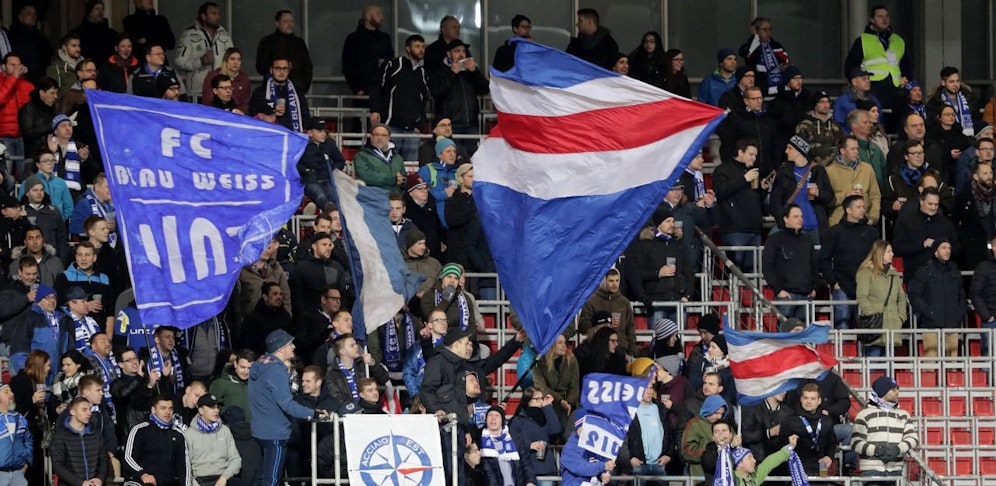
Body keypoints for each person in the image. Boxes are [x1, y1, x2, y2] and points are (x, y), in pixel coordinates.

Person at [249, 330, 324, 486]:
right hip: (275, 433)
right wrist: (312, 413)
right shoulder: (275, 370)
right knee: (272, 479)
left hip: (260, 430)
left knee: (261, 476)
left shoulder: (259, 366)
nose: (294, 346)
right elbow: (287, 404)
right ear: (281, 348)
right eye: (290, 344)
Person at [821, 195, 879, 330]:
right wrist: (833, 282)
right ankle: (842, 352)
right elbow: (824, 259)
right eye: (859, 207)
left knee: (868, 329)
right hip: (842, 285)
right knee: (842, 326)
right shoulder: (835, 232)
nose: (863, 210)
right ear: (848, 210)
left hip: (867, 286)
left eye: (863, 207)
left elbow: (878, 257)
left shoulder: (872, 232)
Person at [369, 34, 427, 162]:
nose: (421, 49)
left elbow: (424, 99)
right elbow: (376, 86)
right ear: (408, 48)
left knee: (410, 168)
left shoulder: (422, 72)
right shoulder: (393, 64)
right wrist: (375, 109)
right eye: (417, 46)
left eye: (423, 46)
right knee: (388, 164)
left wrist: (420, 124)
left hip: (412, 130)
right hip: (392, 126)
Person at [851, 376, 919, 485]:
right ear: (883, 391)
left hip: (895, 470)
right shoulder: (864, 414)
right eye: (893, 389)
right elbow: (856, 442)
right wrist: (876, 450)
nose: (897, 392)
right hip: (871, 471)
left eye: (897, 389)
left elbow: (913, 438)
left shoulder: (903, 415)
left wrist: (897, 449)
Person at [767, 135, 834, 240]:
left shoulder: (818, 170)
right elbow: (775, 200)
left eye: (790, 148)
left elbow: (830, 197)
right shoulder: (784, 171)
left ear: (799, 151)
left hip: (814, 227)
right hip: (791, 228)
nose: (786, 151)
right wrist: (782, 222)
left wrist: (818, 193)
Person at [713, 138, 766, 272]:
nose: (754, 158)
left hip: (754, 229)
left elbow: (756, 199)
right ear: (740, 152)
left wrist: (763, 189)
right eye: (751, 154)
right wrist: (744, 180)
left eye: (755, 155)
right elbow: (720, 192)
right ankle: (734, 294)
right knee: (735, 272)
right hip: (734, 229)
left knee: (753, 272)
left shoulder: (753, 172)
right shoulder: (723, 170)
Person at [429, 39, 489, 155]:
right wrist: (452, 73)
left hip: (471, 124)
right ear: (448, 54)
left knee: (471, 159)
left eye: (463, 51)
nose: (461, 54)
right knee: (452, 156)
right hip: (450, 125)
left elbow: (485, 89)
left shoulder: (470, 72)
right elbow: (437, 92)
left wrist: (475, 72)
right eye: (457, 51)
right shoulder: (440, 70)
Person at [907, 238, 965, 357]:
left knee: (952, 368)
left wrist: (958, 313)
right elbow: (914, 295)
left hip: (952, 325)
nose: (947, 251)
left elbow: (962, 296)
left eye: (949, 248)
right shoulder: (924, 272)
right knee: (930, 365)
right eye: (943, 248)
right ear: (935, 252)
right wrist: (928, 312)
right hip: (930, 326)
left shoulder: (954, 272)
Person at [843, 5, 910, 106]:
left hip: (896, 89)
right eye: (880, 16)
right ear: (872, 20)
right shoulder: (863, 40)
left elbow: (907, 65)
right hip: (872, 88)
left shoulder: (898, 40)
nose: (884, 19)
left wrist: (906, 78)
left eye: (886, 16)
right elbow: (850, 67)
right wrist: (859, 85)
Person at [123, 394, 190, 486]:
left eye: (170, 409)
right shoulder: (139, 430)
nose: (167, 412)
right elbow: (128, 458)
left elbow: (184, 466)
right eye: (163, 408)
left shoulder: (178, 434)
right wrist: (143, 474)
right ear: (153, 410)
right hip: (140, 481)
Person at [892, 187, 959, 279]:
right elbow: (897, 248)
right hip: (914, 276)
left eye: (936, 204)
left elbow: (957, 248)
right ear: (921, 201)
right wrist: (921, 245)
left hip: (941, 277)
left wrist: (945, 248)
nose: (933, 207)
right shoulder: (906, 221)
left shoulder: (946, 224)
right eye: (930, 204)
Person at [174, 2, 233, 99]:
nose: (217, 17)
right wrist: (200, 61)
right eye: (213, 14)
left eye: (218, 14)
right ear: (203, 16)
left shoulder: (224, 35)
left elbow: (232, 59)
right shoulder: (189, 34)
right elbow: (179, 62)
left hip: (221, 91)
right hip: (198, 91)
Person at [183, 393, 241, 486]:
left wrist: (224, 477)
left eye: (217, 407)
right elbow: (185, 467)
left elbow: (236, 459)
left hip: (223, 478)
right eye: (212, 407)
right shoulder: (189, 434)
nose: (216, 411)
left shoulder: (225, 431)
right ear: (201, 410)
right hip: (200, 481)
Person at [50, 396, 106, 486]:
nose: (89, 413)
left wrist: (99, 479)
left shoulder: (95, 433)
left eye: (89, 409)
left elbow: (103, 460)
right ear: (73, 412)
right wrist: (80, 483)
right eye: (84, 410)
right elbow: (58, 465)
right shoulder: (61, 435)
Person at [826, 135, 882, 226]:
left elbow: (875, 195)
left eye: (857, 149)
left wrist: (873, 217)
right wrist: (845, 195)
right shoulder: (829, 171)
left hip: (864, 221)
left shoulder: (867, 169)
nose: (856, 152)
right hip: (838, 223)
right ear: (842, 151)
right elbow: (827, 200)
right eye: (852, 149)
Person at [509, 387, 561, 483]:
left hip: (545, 468)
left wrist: (547, 407)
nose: (541, 402)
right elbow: (513, 442)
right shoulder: (518, 420)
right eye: (537, 399)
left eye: (542, 398)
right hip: (526, 469)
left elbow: (555, 429)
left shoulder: (545, 416)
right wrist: (530, 445)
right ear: (528, 400)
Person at [254, 10, 312, 94]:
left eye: (291, 21)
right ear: (277, 23)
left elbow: (308, 67)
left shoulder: (299, 43)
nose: (290, 24)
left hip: (296, 91)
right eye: (286, 21)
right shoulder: (267, 42)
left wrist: (303, 87)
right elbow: (260, 66)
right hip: (272, 91)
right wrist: (276, 68)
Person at [342, 4, 393, 97]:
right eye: (378, 14)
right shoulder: (353, 39)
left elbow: (391, 63)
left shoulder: (384, 39)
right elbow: (347, 66)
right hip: (362, 93)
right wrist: (357, 89)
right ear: (368, 16)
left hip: (382, 92)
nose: (382, 17)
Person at [249, 57, 309, 133]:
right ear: (271, 70)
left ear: (289, 71)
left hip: (293, 135)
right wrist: (271, 109)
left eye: (285, 68)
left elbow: (305, 114)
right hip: (269, 136)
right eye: (278, 68)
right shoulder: (260, 91)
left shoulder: (297, 91)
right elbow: (253, 113)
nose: (281, 72)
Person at [480, 405, 537, 486]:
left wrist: (530, 481)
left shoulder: (514, 438)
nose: (493, 418)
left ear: (502, 420)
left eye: (497, 415)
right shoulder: (480, 440)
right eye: (490, 415)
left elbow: (526, 462)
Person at [626, 385, 672, 483]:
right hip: (638, 465)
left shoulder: (660, 408)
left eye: (651, 388)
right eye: (644, 388)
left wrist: (668, 455)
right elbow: (623, 437)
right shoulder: (629, 411)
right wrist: (629, 459)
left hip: (659, 465)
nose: (649, 391)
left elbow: (669, 434)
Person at [560, 409, 615, 486]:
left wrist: (603, 475)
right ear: (578, 427)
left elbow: (602, 464)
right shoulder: (569, 448)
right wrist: (603, 466)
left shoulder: (597, 447)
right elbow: (580, 468)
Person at [739, 16, 790, 96]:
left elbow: (786, 63)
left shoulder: (777, 46)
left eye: (770, 29)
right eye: (765, 30)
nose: (768, 32)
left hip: (778, 90)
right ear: (756, 31)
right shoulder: (749, 47)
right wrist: (755, 38)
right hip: (760, 91)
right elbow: (748, 58)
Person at [352, 123, 406, 193]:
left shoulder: (397, 157)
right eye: (376, 135)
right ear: (371, 137)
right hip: (374, 199)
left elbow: (403, 176)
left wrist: (403, 181)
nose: (380, 138)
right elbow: (366, 176)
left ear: (388, 138)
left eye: (383, 135)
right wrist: (392, 179)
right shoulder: (361, 156)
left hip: (396, 199)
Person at [795, 90, 842, 166]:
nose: (825, 105)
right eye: (821, 102)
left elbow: (840, 146)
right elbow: (799, 150)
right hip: (812, 167)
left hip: (833, 168)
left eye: (827, 102)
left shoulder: (835, 125)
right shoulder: (804, 126)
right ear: (815, 105)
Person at [0, 383, 32, 486]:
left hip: (18, 474)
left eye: (11, 391)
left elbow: (28, 440)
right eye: (6, 392)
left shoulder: (20, 418)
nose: (12, 394)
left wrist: (27, 462)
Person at [201, 48, 250, 113]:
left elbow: (246, 102)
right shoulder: (212, 76)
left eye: (239, 60)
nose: (236, 62)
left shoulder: (244, 78)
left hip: (238, 115)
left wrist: (240, 112)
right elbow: (207, 101)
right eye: (232, 59)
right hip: (216, 114)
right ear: (226, 60)